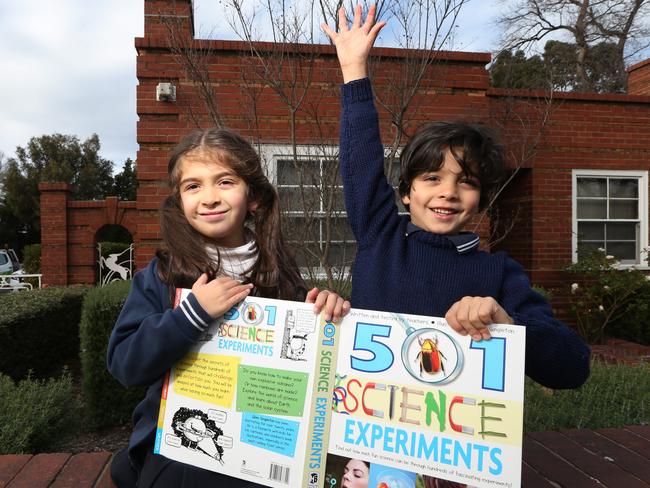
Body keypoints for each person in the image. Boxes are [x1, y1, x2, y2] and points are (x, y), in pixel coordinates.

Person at [321, 5, 590, 389]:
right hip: (368, 440)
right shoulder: (381, 236)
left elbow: (572, 368)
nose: (447, 191)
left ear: (481, 197)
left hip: (453, 445)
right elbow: (361, 160)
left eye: (466, 182)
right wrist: (354, 73)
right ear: (406, 192)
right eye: (432, 178)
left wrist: (506, 323)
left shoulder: (498, 273)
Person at [107, 128, 350, 487]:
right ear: (179, 202)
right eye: (193, 186)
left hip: (262, 446)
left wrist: (329, 313)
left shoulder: (279, 272)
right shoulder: (162, 276)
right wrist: (191, 315)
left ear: (253, 198)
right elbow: (125, 364)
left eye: (224, 182)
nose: (209, 198)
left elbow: (311, 363)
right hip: (181, 450)